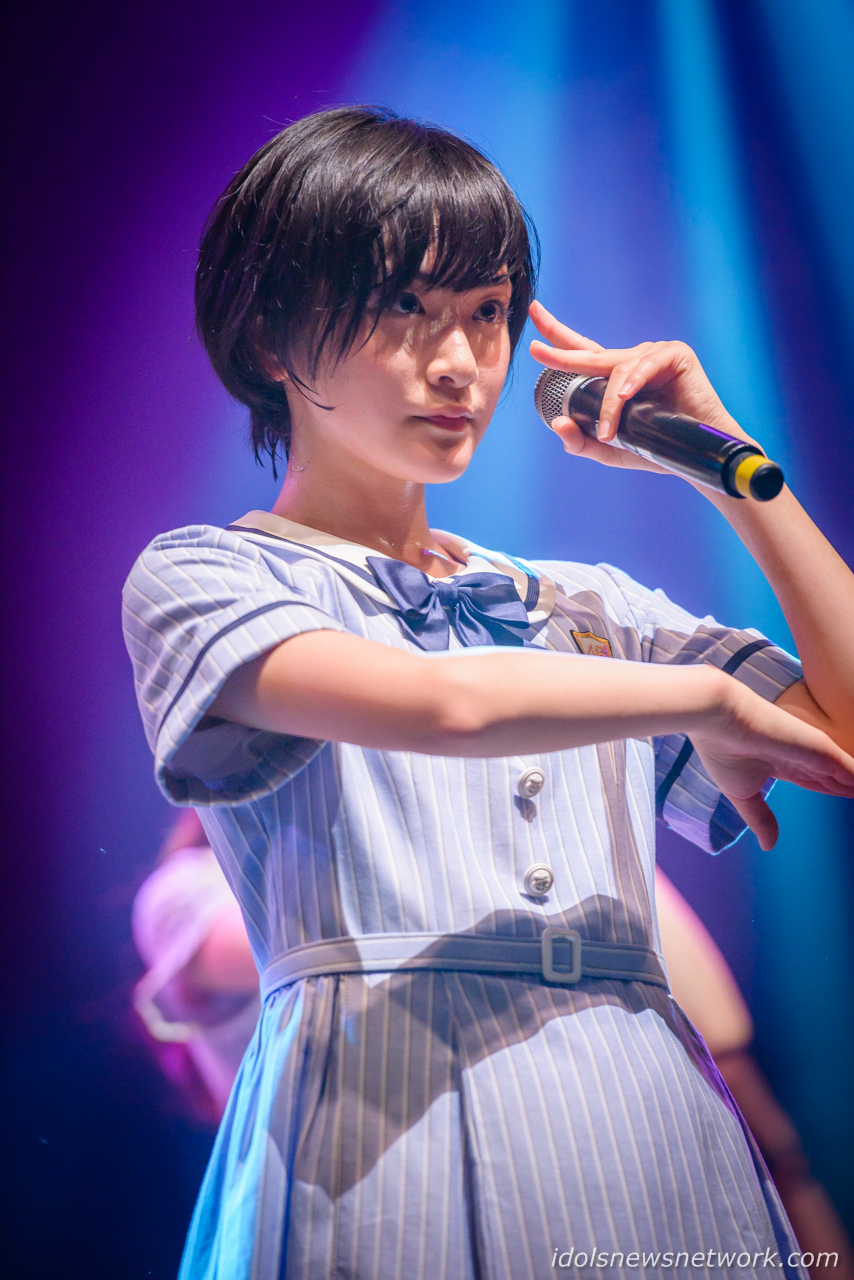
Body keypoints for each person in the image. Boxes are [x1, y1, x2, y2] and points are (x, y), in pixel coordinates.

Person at [122, 106, 854, 1279]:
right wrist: (698, 700)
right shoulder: (206, 577)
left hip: (647, 1126)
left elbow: (843, 729)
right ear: (267, 334)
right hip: (377, 1127)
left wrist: (725, 463)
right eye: (403, 307)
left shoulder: (584, 601)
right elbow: (440, 704)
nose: (457, 359)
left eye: (485, 311)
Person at [131, 813, 854, 1278]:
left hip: (549, 1142)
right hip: (356, 1190)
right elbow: (289, 939)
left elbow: (723, 1046)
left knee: (766, 1150)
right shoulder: (184, 891)